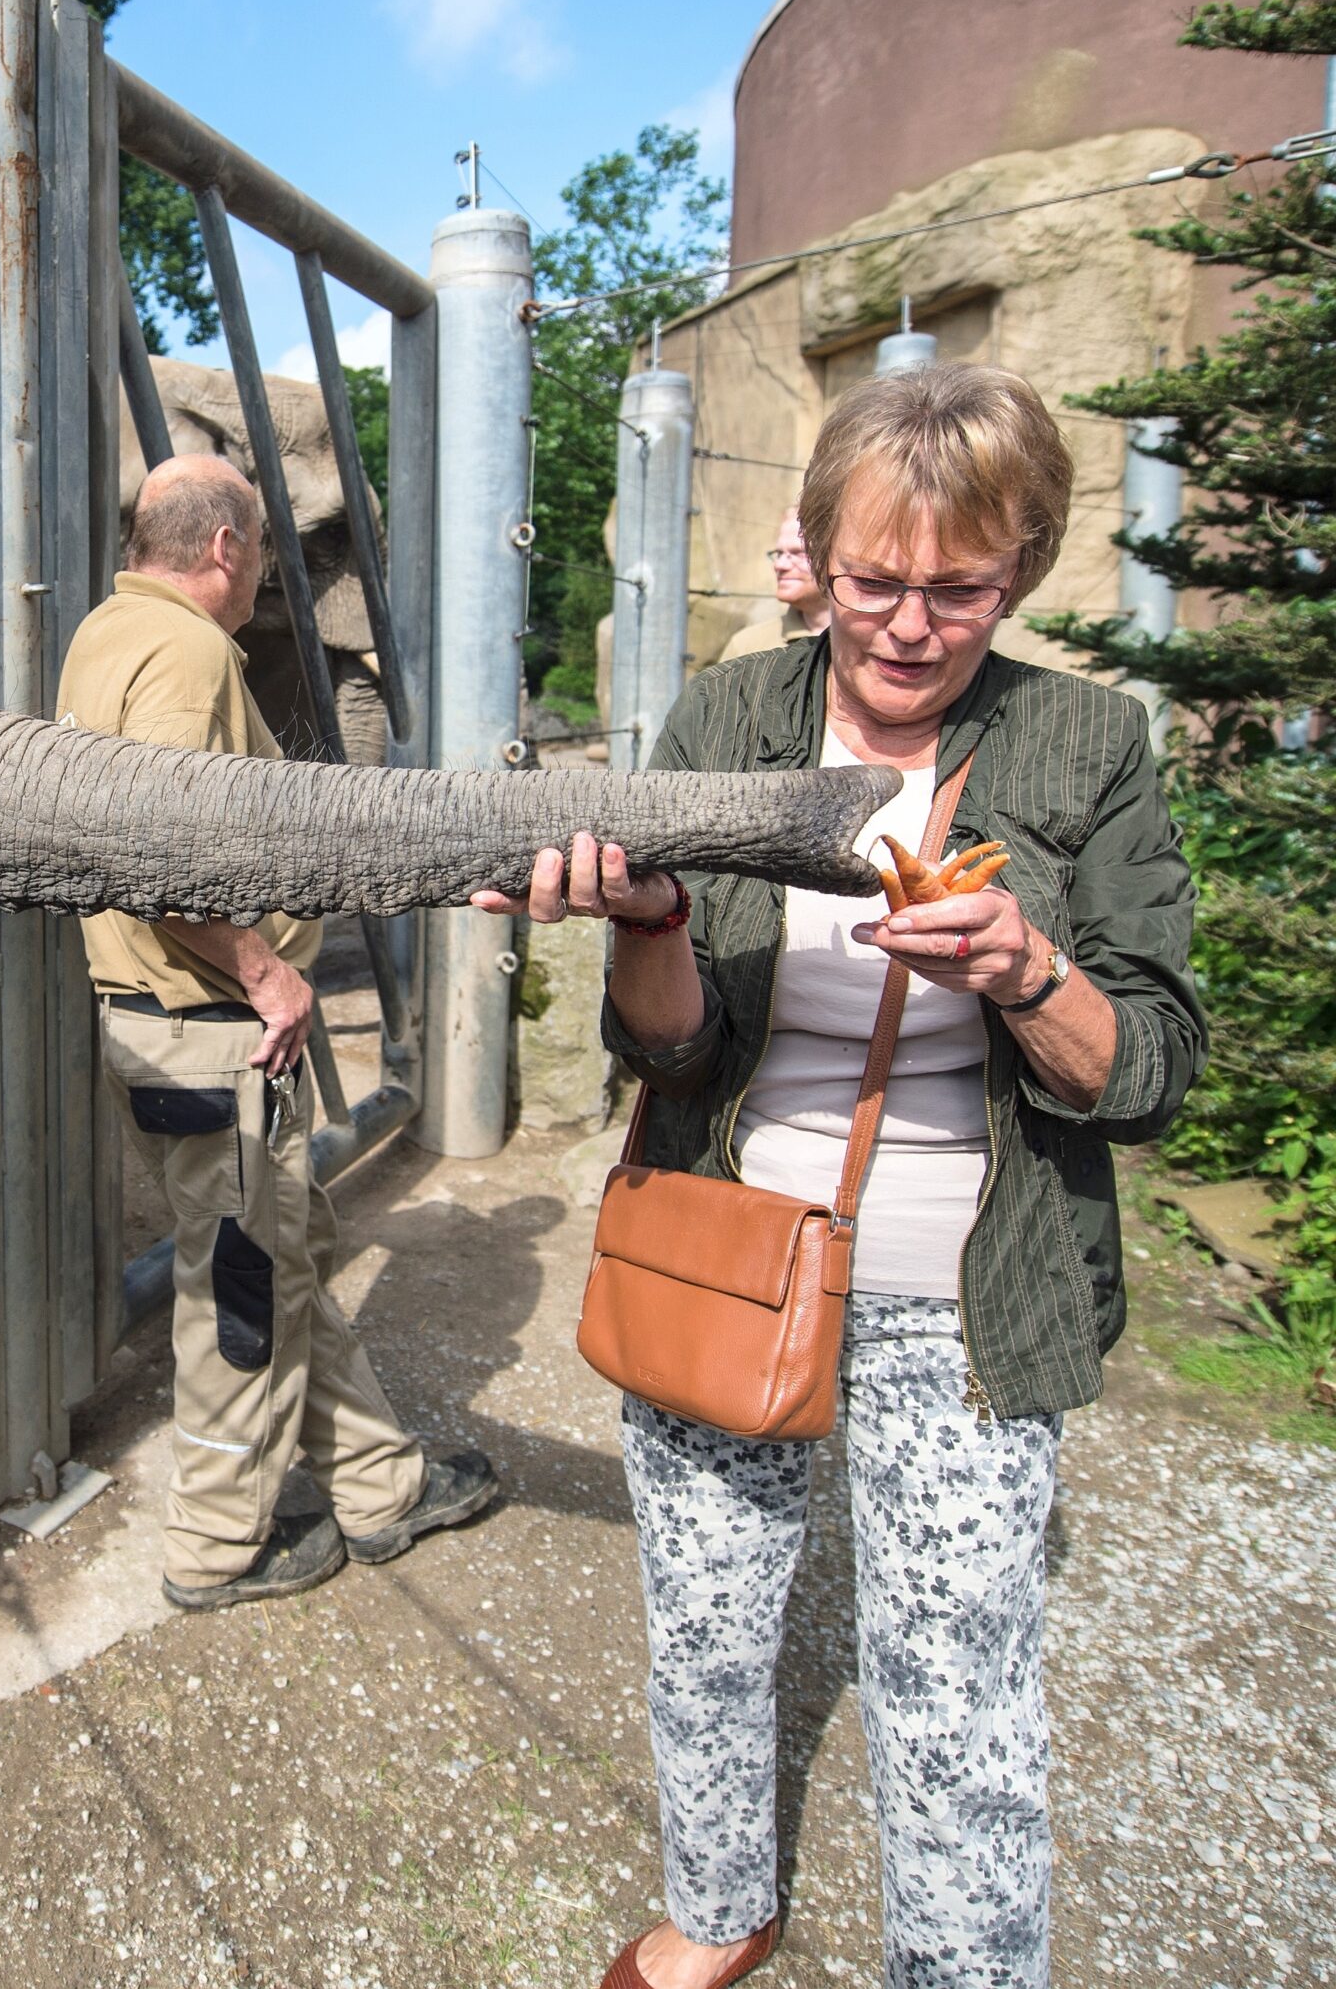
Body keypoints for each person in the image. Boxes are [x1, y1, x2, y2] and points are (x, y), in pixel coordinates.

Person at [478, 366, 1201, 1989]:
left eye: (961, 589)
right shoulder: (727, 724)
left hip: (971, 1301)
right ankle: (723, 1904)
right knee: (711, 1629)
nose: (910, 625)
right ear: (814, 554)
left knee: (958, 1696)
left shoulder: (1088, 743)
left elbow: (1147, 1068)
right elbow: (671, 1061)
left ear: (1020, 570)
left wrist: (1029, 970)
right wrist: (650, 926)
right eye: (873, 581)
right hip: (727, 1248)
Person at [58, 453, 497, 1611]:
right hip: (213, 1030)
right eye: (261, 549)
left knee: (281, 1252)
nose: (258, 571)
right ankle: (216, 1545)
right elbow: (162, 851)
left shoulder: (103, 629)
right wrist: (264, 971)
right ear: (223, 549)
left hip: (148, 1019)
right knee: (242, 1290)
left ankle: (378, 1484)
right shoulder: (191, 650)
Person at [716, 507, 830, 662]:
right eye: (779, 553)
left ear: (833, 558)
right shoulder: (747, 648)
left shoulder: (862, 643)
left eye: (797, 553)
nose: (779, 565)